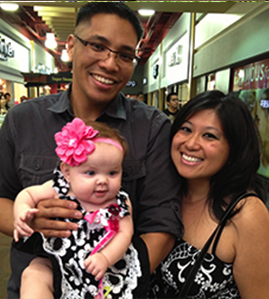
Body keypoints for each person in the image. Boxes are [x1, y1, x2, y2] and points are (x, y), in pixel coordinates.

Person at [0, 3, 182, 298]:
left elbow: (162, 224)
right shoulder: (23, 120)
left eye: (124, 55)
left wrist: (116, 279)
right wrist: (29, 218)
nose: (110, 64)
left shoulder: (152, 128)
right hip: (35, 282)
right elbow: (3, 198)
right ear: (71, 46)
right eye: (98, 46)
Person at [148, 90, 269, 298]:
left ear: (234, 149)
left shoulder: (246, 214)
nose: (191, 144)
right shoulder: (163, 191)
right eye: (186, 129)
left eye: (209, 136)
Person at [14, 118, 136, 298]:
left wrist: (106, 258)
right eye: (90, 173)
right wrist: (21, 211)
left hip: (103, 264)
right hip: (58, 259)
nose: (102, 181)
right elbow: (28, 194)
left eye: (112, 173)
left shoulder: (119, 203)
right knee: (33, 275)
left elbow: (125, 233)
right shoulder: (60, 188)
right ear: (67, 172)